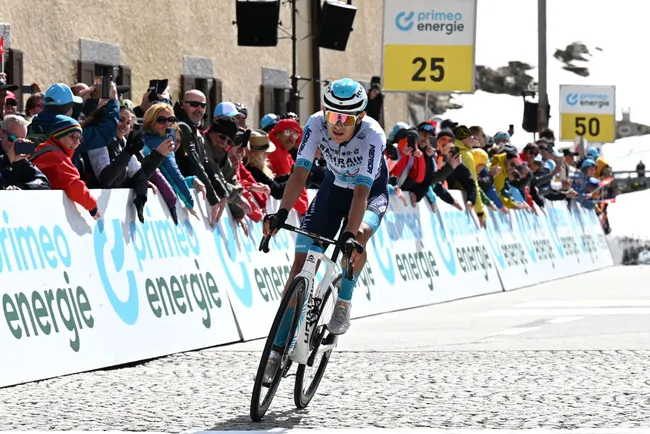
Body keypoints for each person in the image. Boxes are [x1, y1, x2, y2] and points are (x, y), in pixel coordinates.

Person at [261, 78, 388, 383]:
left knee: (355, 240)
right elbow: (300, 172)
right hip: (333, 189)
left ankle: (343, 299)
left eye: (346, 119)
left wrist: (349, 234)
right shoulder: (316, 124)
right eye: (332, 115)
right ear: (323, 111)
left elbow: (361, 193)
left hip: (369, 194)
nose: (338, 124)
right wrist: (280, 213)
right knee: (299, 267)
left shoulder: (373, 135)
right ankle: (277, 349)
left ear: (361, 117)